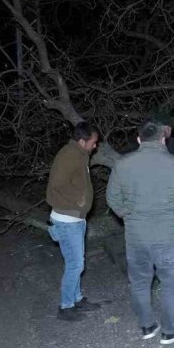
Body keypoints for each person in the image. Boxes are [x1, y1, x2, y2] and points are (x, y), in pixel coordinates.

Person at [107, 120, 174, 344]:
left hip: (136, 236)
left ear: (139, 139)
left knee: (139, 282)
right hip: (168, 235)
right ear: (163, 140)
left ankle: (147, 326)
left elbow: (113, 199)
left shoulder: (122, 164)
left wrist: (129, 216)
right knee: (170, 284)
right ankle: (169, 330)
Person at [46, 121, 102, 321]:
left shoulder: (79, 154)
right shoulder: (69, 155)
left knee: (77, 262)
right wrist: (78, 200)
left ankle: (77, 299)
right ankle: (66, 306)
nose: (95, 146)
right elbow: (57, 184)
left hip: (74, 219)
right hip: (67, 220)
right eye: (93, 142)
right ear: (82, 140)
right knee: (75, 264)